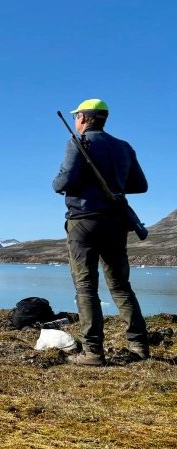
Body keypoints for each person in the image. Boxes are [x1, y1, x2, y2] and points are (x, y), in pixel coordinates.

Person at [52, 99, 149, 365]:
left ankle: (93, 352)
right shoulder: (124, 146)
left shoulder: (78, 143)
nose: (75, 120)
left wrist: (59, 183)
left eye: (77, 116)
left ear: (83, 118)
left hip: (83, 221)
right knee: (121, 286)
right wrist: (112, 183)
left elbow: (63, 181)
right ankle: (140, 347)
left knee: (86, 287)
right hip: (116, 222)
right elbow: (140, 185)